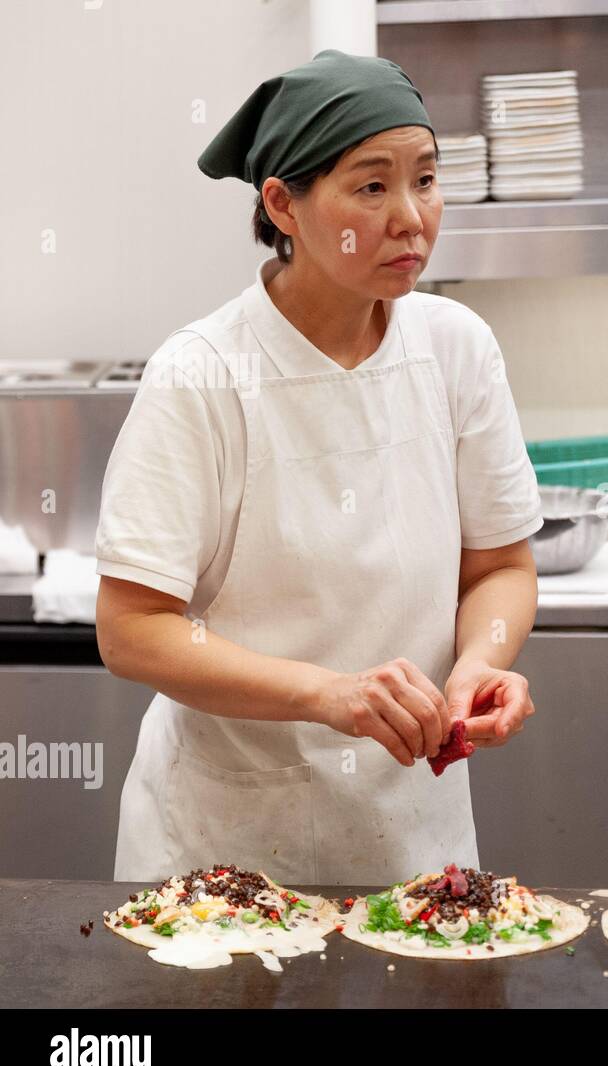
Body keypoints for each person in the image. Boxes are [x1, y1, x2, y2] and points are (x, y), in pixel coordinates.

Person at [95, 50, 542, 885]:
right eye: (371, 187)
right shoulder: (203, 374)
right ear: (283, 205)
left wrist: (479, 660)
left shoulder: (457, 349)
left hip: (416, 838)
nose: (412, 217)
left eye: (426, 179)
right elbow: (130, 631)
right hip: (227, 853)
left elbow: (502, 566)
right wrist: (324, 694)